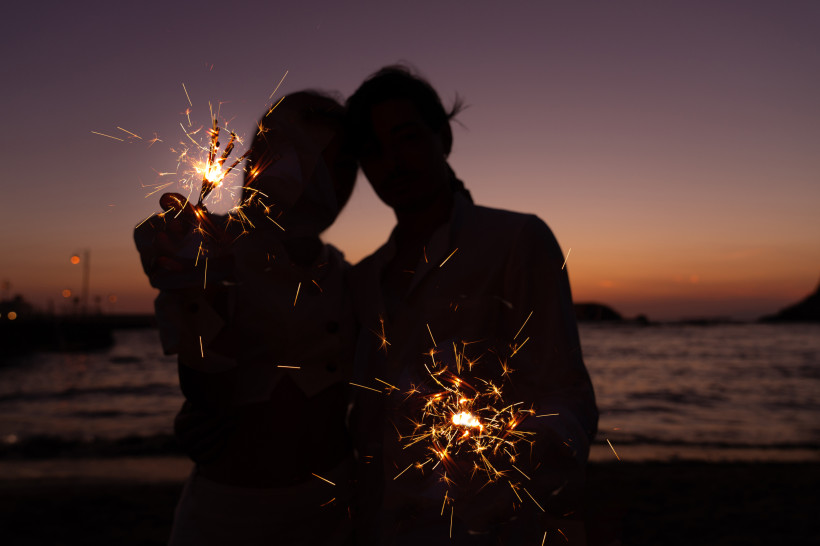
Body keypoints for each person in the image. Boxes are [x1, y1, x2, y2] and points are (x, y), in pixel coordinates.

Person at [345, 66, 598, 545]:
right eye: (373, 151)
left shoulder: (517, 241)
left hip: (490, 527)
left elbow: (567, 395)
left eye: (407, 137)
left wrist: (506, 449)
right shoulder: (361, 280)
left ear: (443, 136)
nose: (393, 162)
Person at [134, 91, 358, 545]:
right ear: (256, 164)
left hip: (336, 509)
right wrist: (200, 286)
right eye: (294, 157)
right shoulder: (207, 251)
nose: (313, 180)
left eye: (333, 165)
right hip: (230, 515)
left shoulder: (353, 279)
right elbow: (204, 390)